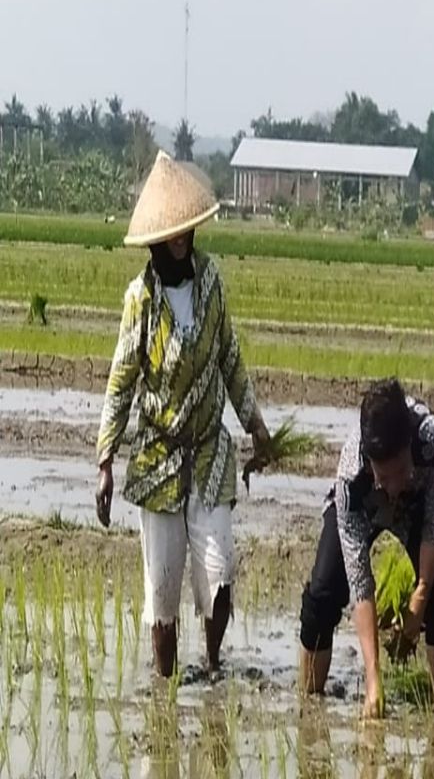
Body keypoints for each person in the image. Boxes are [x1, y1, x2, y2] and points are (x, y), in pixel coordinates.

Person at [95, 150, 271, 677]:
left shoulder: (211, 281)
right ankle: (166, 683)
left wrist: (256, 426)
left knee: (220, 573)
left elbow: (230, 357)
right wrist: (104, 460)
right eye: (170, 232)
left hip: (210, 453)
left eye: (185, 230)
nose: (180, 239)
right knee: (163, 587)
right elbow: (121, 379)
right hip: (159, 458)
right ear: (156, 239)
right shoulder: (141, 300)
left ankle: (213, 665)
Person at [298, 379, 434, 720]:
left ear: (407, 449)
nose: (393, 483)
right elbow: (361, 582)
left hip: (414, 510)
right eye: (384, 475)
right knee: (323, 593)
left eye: (400, 471)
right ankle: (309, 703)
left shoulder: (430, 437)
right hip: (366, 508)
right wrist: (373, 680)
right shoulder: (351, 478)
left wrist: (420, 597)